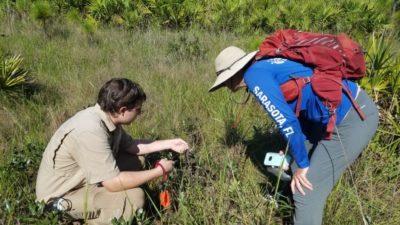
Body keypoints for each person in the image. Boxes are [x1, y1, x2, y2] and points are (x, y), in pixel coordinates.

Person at [209, 46, 378, 225]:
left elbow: (286, 121)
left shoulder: (254, 76)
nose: (226, 86)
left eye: (226, 81)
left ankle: (303, 206)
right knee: (280, 164)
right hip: (327, 119)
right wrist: (298, 157)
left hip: (352, 118)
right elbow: (300, 108)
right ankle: (289, 199)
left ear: (236, 72)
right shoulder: (265, 64)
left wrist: (303, 164)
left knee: (306, 190)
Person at [36, 78, 189, 224]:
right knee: (134, 198)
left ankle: (95, 207)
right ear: (123, 110)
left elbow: (132, 147)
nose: (140, 114)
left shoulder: (107, 118)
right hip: (60, 196)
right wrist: (159, 171)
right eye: (138, 109)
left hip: (82, 181)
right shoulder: (91, 130)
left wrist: (170, 143)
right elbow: (113, 183)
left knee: (136, 159)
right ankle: (82, 219)